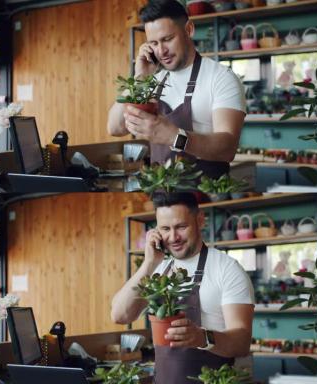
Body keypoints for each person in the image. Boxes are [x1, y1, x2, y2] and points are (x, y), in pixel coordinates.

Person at [110, 192, 254, 384]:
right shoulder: (158, 269)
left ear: (200, 220)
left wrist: (203, 338)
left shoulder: (227, 269)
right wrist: (148, 264)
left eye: (181, 226)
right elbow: (120, 315)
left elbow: (242, 342)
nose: (173, 237)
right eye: (165, 229)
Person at [107, 0, 246, 179]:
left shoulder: (220, 78)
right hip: (162, 194)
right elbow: (115, 127)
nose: (161, 51)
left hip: (204, 192)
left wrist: (175, 137)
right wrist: (140, 78)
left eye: (167, 39)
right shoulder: (153, 81)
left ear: (189, 29)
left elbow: (228, 149)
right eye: (154, 43)